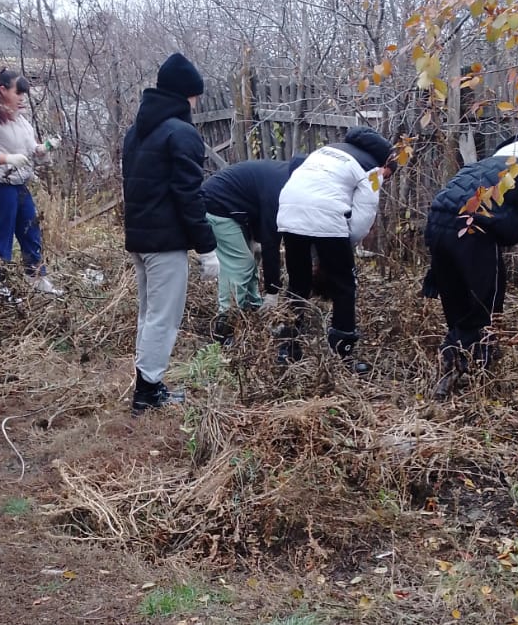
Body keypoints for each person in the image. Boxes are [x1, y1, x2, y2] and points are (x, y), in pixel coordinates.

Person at [423, 131, 518, 397]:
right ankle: (466, 369)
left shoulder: (479, 168)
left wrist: (436, 271)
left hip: (437, 229)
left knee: (459, 307)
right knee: (485, 308)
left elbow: (448, 210)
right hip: (475, 235)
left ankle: (472, 363)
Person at [122, 52, 220, 413]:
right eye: (195, 96)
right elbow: (189, 195)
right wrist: (207, 248)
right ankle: (147, 394)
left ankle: (148, 385)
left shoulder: (137, 130)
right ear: (186, 95)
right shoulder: (182, 133)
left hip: (141, 237)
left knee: (149, 315)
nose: (196, 103)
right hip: (165, 243)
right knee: (164, 317)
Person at [275, 127, 395, 373]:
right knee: (345, 285)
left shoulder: (326, 152)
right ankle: (343, 355)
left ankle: (288, 348)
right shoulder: (372, 169)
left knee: (298, 282)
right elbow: (362, 222)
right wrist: (341, 250)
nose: (387, 178)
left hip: (288, 210)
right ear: (385, 164)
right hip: (325, 214)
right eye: (390, 173)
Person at [0, 68, 61, 295]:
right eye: (18, 92)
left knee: (31, 231)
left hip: (18, 184)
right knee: (2, 235)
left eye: (23, 93)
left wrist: (41, 150)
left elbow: (29, 149)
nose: (22, 97)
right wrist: (5, 159)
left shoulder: (19, 120)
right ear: (3, 90)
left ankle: (36, 278)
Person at [200, 155, 303, 337]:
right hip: (216, 205)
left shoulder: (288, 177)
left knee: (252, 260)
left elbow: (255, 202)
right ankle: (226, 326)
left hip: (236, 207)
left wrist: (255, 241)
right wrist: (273, 292)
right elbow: (272, 242)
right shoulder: (282, 190)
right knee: (240, 264)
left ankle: (252, 311)